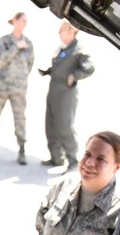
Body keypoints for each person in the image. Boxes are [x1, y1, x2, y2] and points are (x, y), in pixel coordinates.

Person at [40, 20, 95, 170]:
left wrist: (75, 75)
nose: (59, 32)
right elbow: (60, 67)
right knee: (50, 125)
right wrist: (48, 71)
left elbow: (89, 68)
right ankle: (56, 158)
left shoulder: (79, 50)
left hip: (66, 94)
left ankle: (72, 160)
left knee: (64, 126)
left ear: (72, 31)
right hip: (54, 91)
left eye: (62, 29)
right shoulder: (62, 48)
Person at [0, 12, 34, 165]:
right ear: (14, 21)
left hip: (19, 88)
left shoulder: (28, 43)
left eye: (26, 21)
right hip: (2, 86)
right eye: (22, 20)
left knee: (20, 118)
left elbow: (30, 63)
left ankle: (22, 150)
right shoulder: (5, 41)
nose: (24, 23)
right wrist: (16, 47)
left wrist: (21, 78)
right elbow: (3, 58)